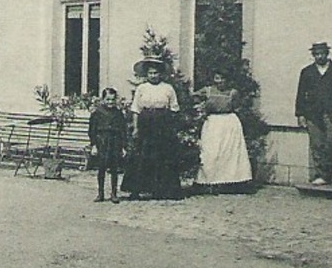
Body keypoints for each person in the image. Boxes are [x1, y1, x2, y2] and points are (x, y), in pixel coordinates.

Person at [123, 59, 183, 200]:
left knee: (162, 156)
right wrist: (136, 128)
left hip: (162, 123)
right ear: (146, 74)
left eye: (156, 73)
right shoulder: (141, 88)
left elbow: (174, 108)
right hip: (146, 122)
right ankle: (136, 190)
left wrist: (171, 127)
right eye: (150, 73)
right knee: (141, 155)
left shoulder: (168, 88)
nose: (153, 76)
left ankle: (162, 190)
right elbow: (136, 110)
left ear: (161, 74)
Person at [295, 40, 332, 185]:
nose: (319, 57)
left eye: (322, 54)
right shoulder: (307, 72)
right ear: (313, 56)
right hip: (313, 114)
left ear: (327, 54)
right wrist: (300, 114)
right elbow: (301, 94)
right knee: (317, 144)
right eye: (316, 54)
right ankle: (322, 175)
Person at [193, 71, 253, 193]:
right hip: (213, 122)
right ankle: (208, 182)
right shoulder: (207, 90)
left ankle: (232, 183)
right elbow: (194, 98)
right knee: (211, 152)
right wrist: (200, 109)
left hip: (229, 123)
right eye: (217, 78)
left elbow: (238, 107)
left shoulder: (233, 92)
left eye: (222, 78)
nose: (220, 81)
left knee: (230, 153)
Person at [88, 88, 128, 203]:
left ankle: (114, 193)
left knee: (114, 169)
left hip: (115, 142)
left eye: (113, 99)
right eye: (108, 99)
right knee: (101, 168)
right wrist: (94, 145)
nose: (110, 102)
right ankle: (100, 193)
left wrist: (124, 146)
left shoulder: (119, 113)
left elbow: (123, 131)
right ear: (103, 99)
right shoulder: (97, 113)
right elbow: (92, 131)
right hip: (102, 142)